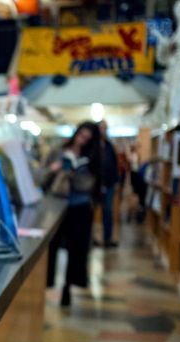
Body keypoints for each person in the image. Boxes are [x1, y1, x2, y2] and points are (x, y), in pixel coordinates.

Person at [46, 122, 97, 307]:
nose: (81, 140)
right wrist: (55, 169)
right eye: (80, 135)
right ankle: (48, 283)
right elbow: (44, 175)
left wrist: (74, 174)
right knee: (52, 246)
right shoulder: (58, 151)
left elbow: (90, 184)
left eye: (87, 138)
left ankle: (67, 287)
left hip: (80, 207)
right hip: (57, 204)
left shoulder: (91, 157)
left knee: (75, 249)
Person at [95, 120, 119, 248]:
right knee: (92, 211)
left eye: (104, 128)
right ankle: (93, 239)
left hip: (109, 184)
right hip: (95, 185)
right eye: (100, 128)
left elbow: (115, 165)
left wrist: (116, 181)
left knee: (108, 211)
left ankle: (107, 239)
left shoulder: (109, 146)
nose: (102, 130)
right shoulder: (93, 145)